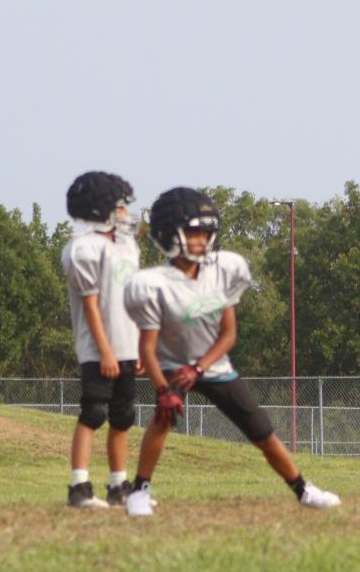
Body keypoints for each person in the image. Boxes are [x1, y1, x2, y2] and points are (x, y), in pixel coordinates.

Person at [120, 187, 339, 517]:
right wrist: (165, 389)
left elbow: (228, 334)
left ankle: (303, 489)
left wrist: (199, 368)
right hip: (173, 363)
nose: (204, 240)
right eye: (195, 232)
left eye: (208, 232)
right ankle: (139, 491)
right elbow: (147, 349)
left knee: (260, 429)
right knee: (163, 418)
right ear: (170, 234)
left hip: (212, 364)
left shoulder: (224, 270)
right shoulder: (153, 284)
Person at [61, 171, 142, 509]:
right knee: (93, 413)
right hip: (98, 350)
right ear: (102, 209)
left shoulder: (127, 246)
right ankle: (79, 487)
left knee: (123, 416)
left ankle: (118, 484)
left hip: (127, 344)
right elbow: (91, 305)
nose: (126, 213)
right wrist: (106, 351)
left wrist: (138, 346)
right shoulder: (83, 249)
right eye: (121, 207)